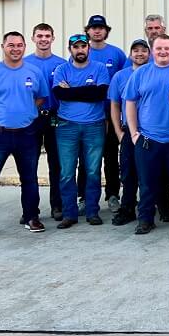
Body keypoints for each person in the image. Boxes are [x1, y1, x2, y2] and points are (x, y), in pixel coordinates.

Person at [0, 32, 50, 241]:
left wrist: (24, 113)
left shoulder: (33, 72)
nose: (15, 49)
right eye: (11, 45)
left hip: (27, 134)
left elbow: (41, 98)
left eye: (20, 45)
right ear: (3, 46)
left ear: (25, 47)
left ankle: (32, 217)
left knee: (30, 179)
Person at [123, 35, 169, 235]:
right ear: (151, 50)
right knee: (147, 182)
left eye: (167, 48)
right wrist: (133, 133)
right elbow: (130, 102)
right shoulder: (141, 73)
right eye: (158, 48)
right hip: (148, 138)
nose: (163, 52)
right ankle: (145, 219)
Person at [51, 34, 111, 228]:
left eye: (83, 46)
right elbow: (60, 94)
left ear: (88, 49)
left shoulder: (100, 68)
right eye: (76, 47)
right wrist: (86, 90)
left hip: (94, 126)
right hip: (67, 126)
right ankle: (70, 213)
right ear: (70, 49)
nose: (80, 50)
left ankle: (93, 211)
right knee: (67, 172)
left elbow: (99, 94)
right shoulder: (61, 69)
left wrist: (72, 91)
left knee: (93, 170)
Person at [83, 14, 127, 214]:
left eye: (101, 27)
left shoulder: (116, 54)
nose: (97, 31)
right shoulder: (82, 51)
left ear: (106, 31)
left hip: (110, 113)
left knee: (110, 156)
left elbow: (125, 81)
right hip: (88, 114)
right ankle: (84, 197)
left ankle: (112, 195)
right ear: (88, 31)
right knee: (87, 158)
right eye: (94, 28)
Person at [24, 23, 66, 221]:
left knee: (56, 164)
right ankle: (30, 210)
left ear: (53, 38)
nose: (43, 39)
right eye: (39, 35)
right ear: (33, 38)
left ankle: (57, 205)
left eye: (47, 35)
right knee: (29, 165)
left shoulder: (62, 64)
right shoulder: (23, 64)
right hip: (31, 119)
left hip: (55, 117)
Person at [107, 39, 150, 226]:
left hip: (151, 131)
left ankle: (158, 207)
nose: (139, 54)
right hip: (128, 131)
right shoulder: (120, 76)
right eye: (136, 50)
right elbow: (115, 105)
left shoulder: (154, 72)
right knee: (128, 172)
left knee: (152, 172)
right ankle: (128, 209)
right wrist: (118, 131)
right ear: (130, 54)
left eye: (143, 51)